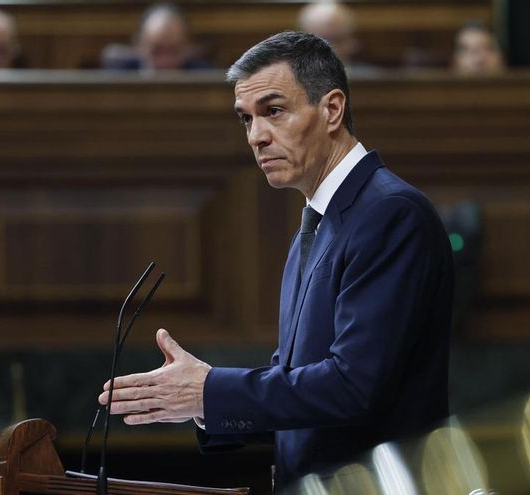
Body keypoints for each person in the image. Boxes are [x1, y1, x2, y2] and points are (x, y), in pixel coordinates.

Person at [98, 31, 455, 490]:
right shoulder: (316, 225)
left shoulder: (390, 213)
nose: (256, 136)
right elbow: (301, 394)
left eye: (274, 112)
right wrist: (201, 404)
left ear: (331, 109)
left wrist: (210, 390)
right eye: (246, 119)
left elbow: (354, 387)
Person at [102, 2, 210, 71]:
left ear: (187, 47)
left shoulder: (207, 81)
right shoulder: (117, 82)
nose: (165, 63)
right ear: (139, 47)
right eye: (155, 51)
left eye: (174, 51)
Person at [297, 1, 361, 69]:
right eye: (317, 43)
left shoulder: (366, 78)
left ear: (352, 43)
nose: (329, 50)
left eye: (336, 40)